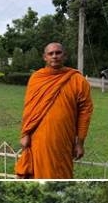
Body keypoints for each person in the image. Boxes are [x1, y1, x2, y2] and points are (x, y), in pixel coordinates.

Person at [15, 42, 94, 179]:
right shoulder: (37, 78)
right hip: (39, 138)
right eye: (50, 53)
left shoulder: (77, 80)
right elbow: (29, 109)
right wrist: (25, 133)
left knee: (61, 173)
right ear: (44, 57)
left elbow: (85, 112)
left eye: (58, 53)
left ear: (65, 56)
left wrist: (80, 143)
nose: (54, 56)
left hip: (64, 139)